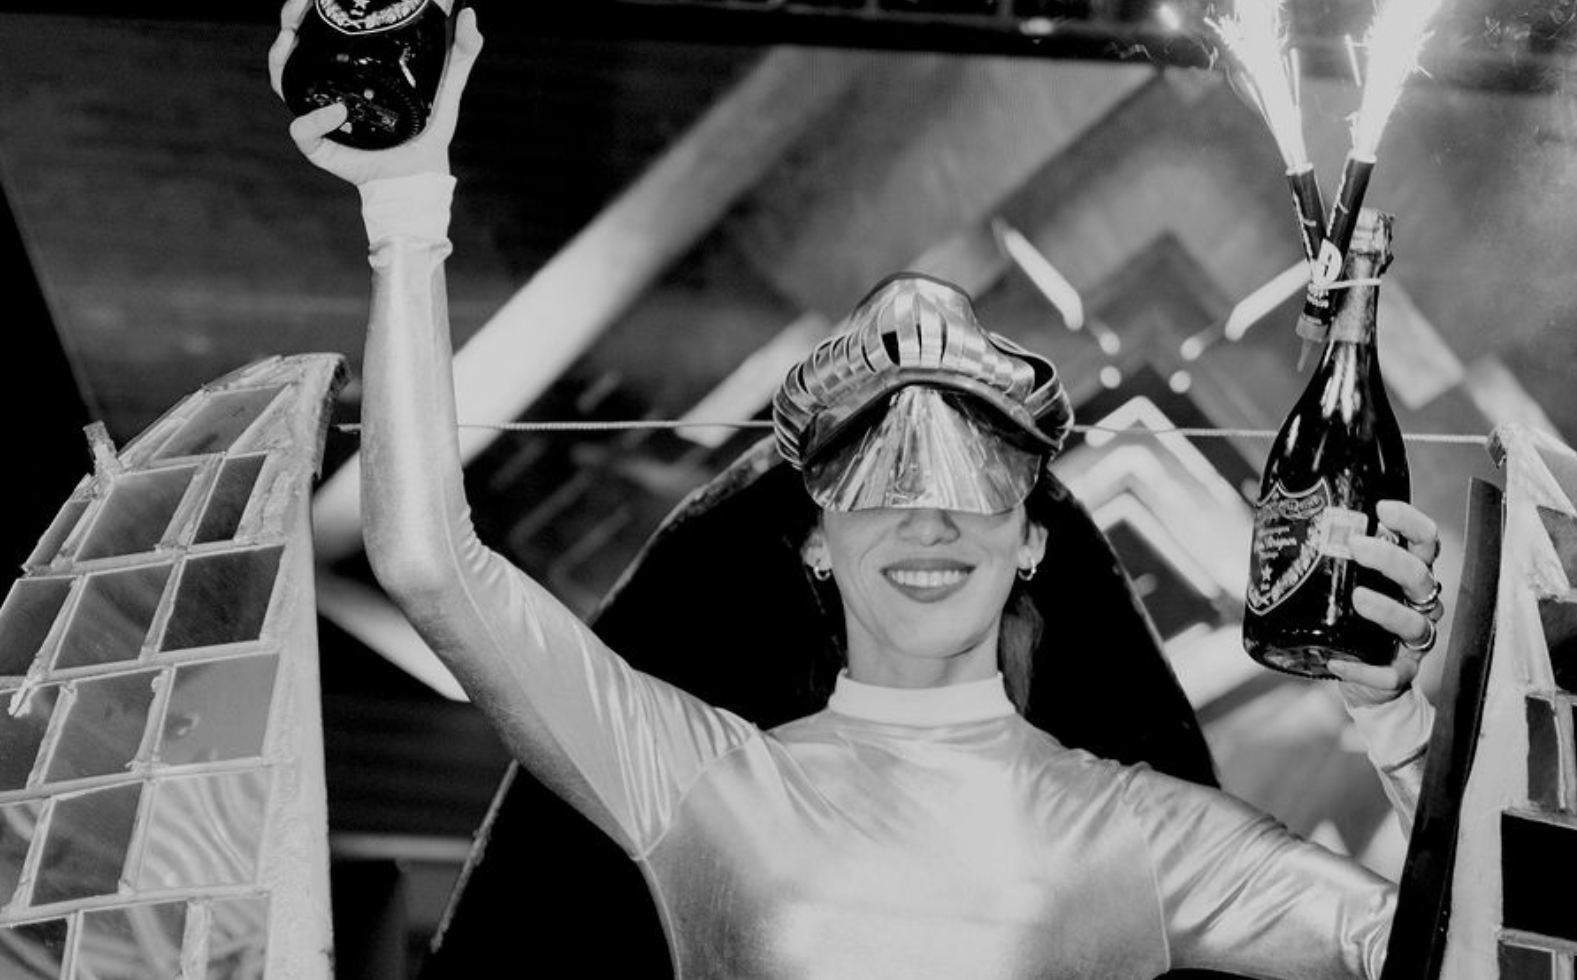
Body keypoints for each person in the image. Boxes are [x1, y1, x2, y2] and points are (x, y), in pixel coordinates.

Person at [272, 6, 1448, 978]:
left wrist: (1395, 721)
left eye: (973, 476)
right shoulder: (706, 782)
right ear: (815, 541)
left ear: (1032, 540)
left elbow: (1434, 946)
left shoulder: (1136, 831)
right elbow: (427, 560)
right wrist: (405, 208)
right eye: (877, 475)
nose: (926, 514)